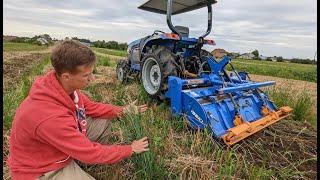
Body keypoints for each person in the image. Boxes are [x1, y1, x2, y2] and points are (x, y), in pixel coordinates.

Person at [7, 40, 149, 180]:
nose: (92, 79)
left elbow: (93, 108)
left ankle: (76, 153)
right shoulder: (49, 116)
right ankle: (78, 154)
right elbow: (91, 153)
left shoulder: (64, 87)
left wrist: (125, 110)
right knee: (88, 153)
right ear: (66, 76)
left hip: (59, 150)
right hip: (43, 168)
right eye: (86, 75)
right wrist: (130, 149)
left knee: (102, 122)